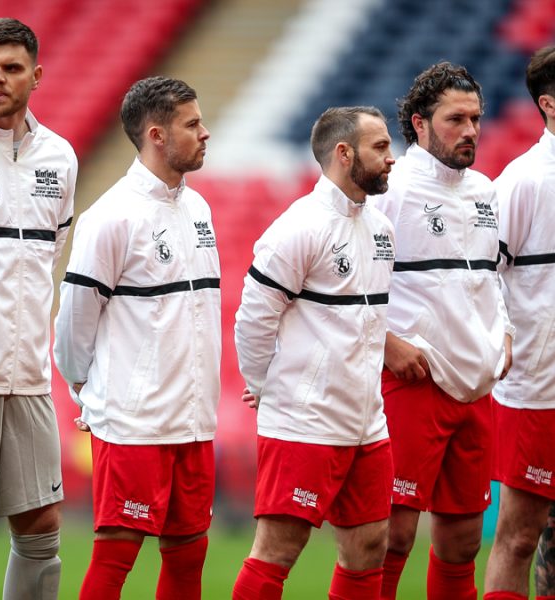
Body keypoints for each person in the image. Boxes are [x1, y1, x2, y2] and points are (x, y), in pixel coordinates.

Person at [53, 76, 220, 600]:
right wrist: (93, 390)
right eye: (192, 124)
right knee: (117, 551)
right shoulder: (110, 217)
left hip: (194, 421)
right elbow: (72, 326)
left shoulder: (199, 210)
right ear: (156, 135)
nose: (205, 133)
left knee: (190, 552)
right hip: (134, 420)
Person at [232, 106, 396, 600]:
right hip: (306, 420)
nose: (392, 159)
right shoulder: (299, 227)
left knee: (370, 547)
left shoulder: (381, 229)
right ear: (344, 154)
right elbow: (253, 319)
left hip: (368, 421)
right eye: (381, 148)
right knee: (279, 548)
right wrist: (264, 387)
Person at [372, 62, 513, 600]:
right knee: (392, 536)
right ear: (420, 124)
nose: (471, 131)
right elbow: (355, 282)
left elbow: (489, 279)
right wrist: (388, 345)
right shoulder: (392, 189)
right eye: (457, 119)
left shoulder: (484, 191)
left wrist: (502, 335)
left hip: (476, 386)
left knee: (461, 543)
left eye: (476, 118)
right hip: (414, 384)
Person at [0, 17, 77, 600]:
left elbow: (49, 258)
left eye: (10, 67)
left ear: (36, 74)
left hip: (27, 373)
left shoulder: (61, 157)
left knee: (41, 530)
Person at [483, 46, 555, 600]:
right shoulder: (523, 181)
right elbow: (485, 279)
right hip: (539, 390)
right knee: (518, 536)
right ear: (549, 105)